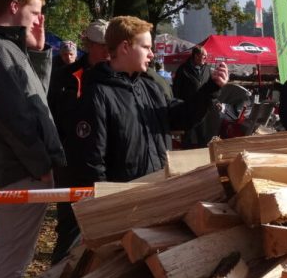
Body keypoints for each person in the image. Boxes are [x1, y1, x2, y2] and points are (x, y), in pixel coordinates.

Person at [67, 16, 228, 184]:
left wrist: (211, 88)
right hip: (123, 202)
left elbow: (181, 117)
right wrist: (107, 201)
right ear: (125, 47)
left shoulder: (151, 88)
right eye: (146, 47)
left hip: (157, 194)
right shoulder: (97, 94)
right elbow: (91, 161)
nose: (152, 54)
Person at [0, 0, 65, 278]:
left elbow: (35, 100)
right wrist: (41, 166)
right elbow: (13, 118)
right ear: (15, 6)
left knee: (2, 260)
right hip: (21, 171)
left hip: (18, 169)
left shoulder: (6, 49)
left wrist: (37, 52)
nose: (39, 20)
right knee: (11, 268)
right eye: (36, 12)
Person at [47, 19, 110, 262]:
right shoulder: (65, 77)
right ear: (88, 44)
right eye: (100, 45)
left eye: (109, 46)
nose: (106, 51)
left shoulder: (117, 75)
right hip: (71, 166)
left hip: (105, 167)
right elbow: (50, 114)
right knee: (69, 230)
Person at [172, 46, 219, 147]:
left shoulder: (207, 69)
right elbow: (176, 90)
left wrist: (215, 100)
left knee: (203, 138)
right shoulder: (183, 69)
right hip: (188, 109)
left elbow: (211, 88)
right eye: (204, 56)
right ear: (196, 56)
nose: (206, 59)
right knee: (188, 138)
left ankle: (204, 157)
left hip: (203, 109)